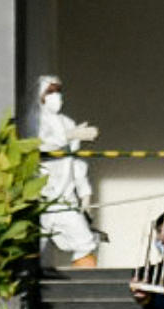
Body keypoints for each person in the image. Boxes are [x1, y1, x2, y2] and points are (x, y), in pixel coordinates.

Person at [35, 78, 102, 269]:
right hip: (40, 201)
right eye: (50, 92)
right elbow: (42, 145)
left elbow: (75, 163)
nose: (56, 96)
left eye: (58, 92)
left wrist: (85, 194)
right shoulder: (35, 121)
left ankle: (84, 282)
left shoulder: (67, 122)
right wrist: (69, 136)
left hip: (65, 200)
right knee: (33, 247)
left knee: (85, 243)